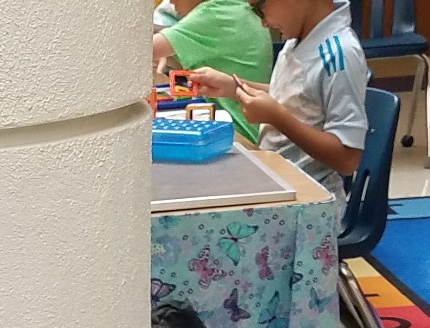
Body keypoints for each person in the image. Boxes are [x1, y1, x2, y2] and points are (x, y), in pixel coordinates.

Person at [189, 0, 368, 204]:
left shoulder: (339, 54)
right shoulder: (298, 38)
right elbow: (296, 100)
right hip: (279, 183)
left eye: (259, 8)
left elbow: (347, 159)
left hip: (311, 202)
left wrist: (276, 117)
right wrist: (234, 87)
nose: (263, 23)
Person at [151, 0, 274, 143]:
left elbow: (140, 50)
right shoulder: (235, 9)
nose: (170, 1)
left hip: (235, 136)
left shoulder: (216, 13)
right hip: (238, 130)